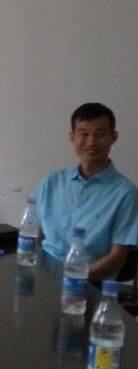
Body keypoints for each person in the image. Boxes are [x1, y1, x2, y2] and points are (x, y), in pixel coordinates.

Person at [33, 102, 138, 280]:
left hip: (89, 283)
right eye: (84, 134)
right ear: (72, 137)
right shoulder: (50, 182)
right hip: (44, 278)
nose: (91, 142)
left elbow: (117, 257)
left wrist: (74, 279)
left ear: (113, 137)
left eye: (100, 134)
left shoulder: (126, 193)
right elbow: (33, 234)